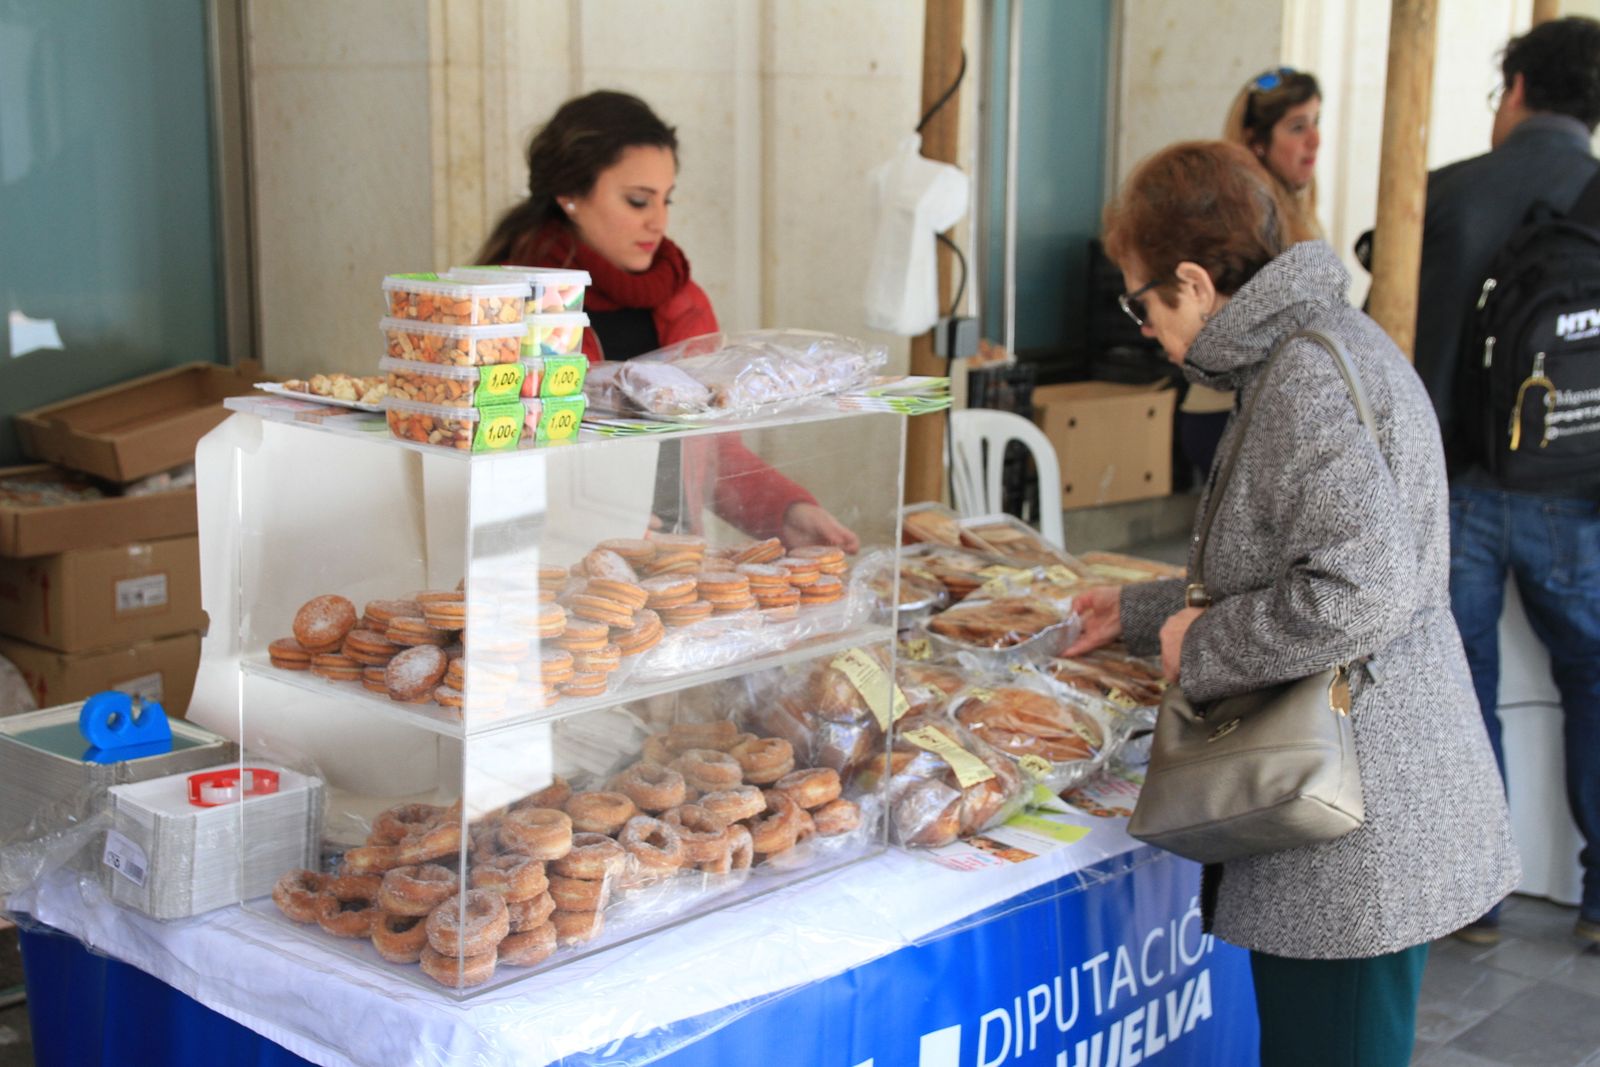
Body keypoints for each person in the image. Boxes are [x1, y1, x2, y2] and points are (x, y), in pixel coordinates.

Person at [1071, 140, 1517, 1066]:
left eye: (1141, 302)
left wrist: (1203, 644)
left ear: (1195, 283)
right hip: (1366, 791)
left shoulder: (1301, 375)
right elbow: (1298, 557)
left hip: (1354, 823)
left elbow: (1360, 587)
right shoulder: (1307, 344)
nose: (1142, 326)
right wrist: (1140, 612)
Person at [1408, 16, 1600, 946]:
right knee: (1594, 675)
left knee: (1463, 678)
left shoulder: (1448, 195)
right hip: (1581, 491)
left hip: (1467, 483)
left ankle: (1476, 894)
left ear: (1516, 90)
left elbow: (1413, 355)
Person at [477, 90, 857, 551]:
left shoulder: (683, 300)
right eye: (638, 201)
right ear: (570, 195)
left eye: (667, 200)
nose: (658, 221)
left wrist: (786, 512)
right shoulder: (502, 308)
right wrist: (585, 521)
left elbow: (712, 451)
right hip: (561, 569)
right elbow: (486, 463)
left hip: (677, 565)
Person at [1178, 66, 1326, 483]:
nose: (1315, 139)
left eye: (1316, 122)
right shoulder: (1247, 219)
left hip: (1256, 412)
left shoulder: (1292, 212)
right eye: (1297, 127)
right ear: (1256, 142)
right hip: (1230, 415)